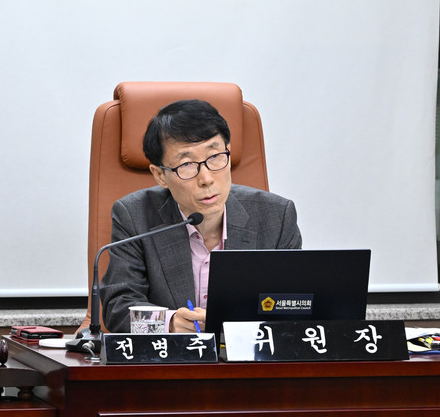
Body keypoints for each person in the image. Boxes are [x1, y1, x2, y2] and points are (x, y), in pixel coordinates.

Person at [99, 99, 302, 333]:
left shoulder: (276, 216)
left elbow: (294, 305)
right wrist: (169, 323)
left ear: (228, 153)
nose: (206, 179)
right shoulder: (134, 216)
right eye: (186, 164)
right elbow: (118, 308)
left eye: (215, 157)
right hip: (173, 353)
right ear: (160, 175)